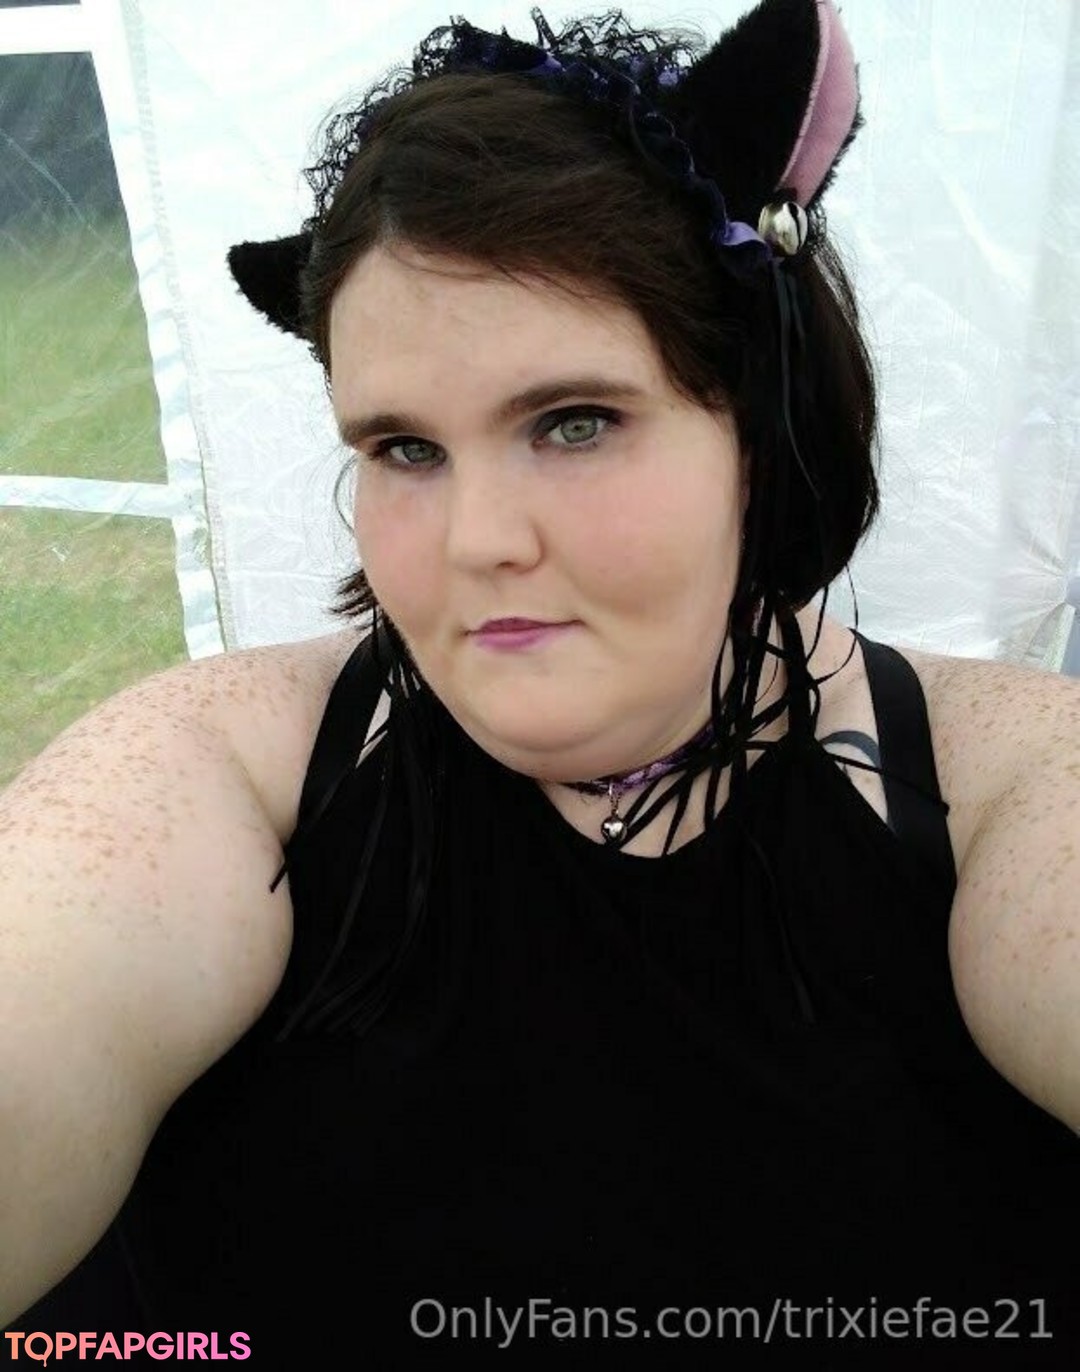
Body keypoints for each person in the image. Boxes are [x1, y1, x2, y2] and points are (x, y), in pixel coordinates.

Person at [2, 2, 1078, 1367]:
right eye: (404, 448)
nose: (477, 541)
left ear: (758, 430)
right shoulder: (223, 770)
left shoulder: (1007, 793)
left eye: (574, 422)